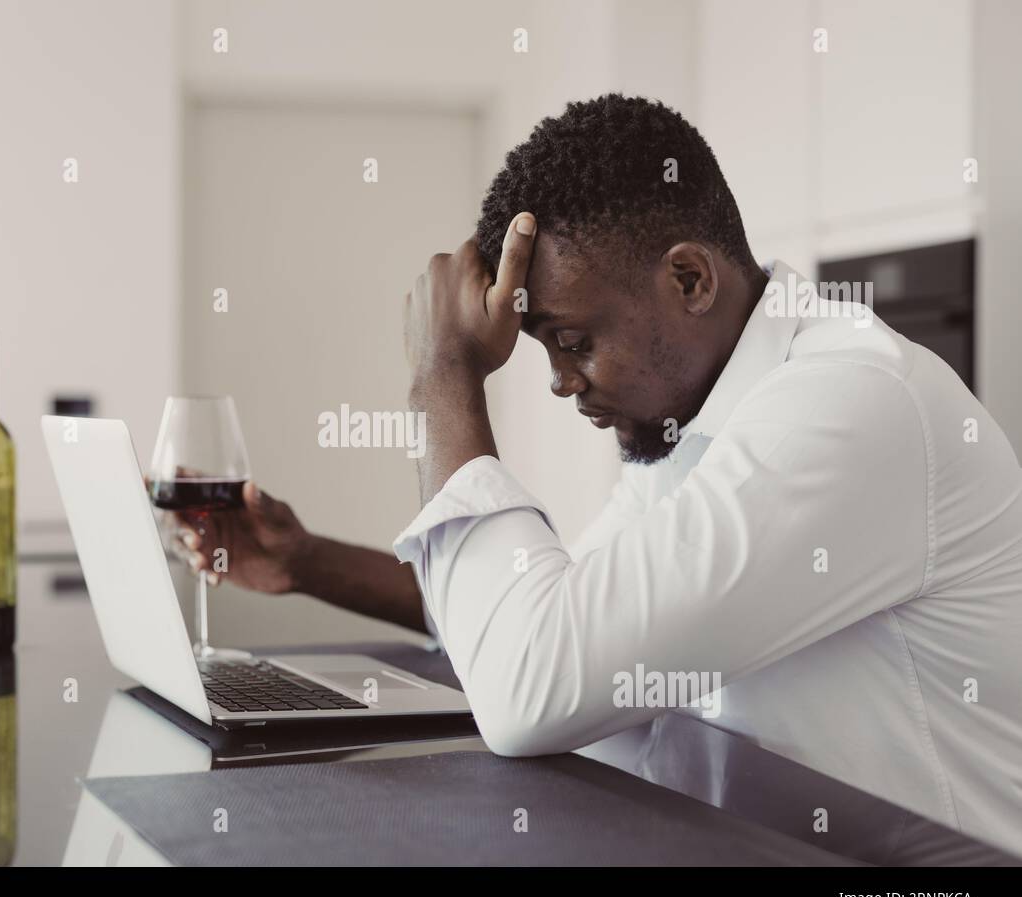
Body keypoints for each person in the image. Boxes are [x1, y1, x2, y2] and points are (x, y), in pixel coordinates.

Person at [172, 94, 1022, 855]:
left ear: (690, 279)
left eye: (574, 341)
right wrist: (305, 563)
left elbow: (529, 683)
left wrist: (444, 377)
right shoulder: (693, 418)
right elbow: (551, 612)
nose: (559, 380)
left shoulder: (851, 405)